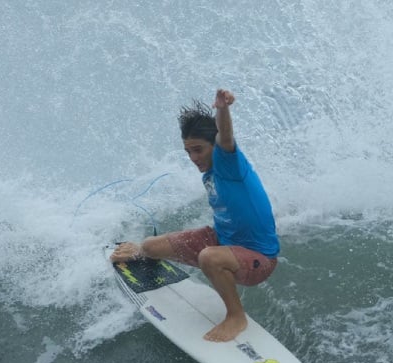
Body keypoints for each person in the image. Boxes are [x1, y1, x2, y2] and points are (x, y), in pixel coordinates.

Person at [110, 88, 280, 342]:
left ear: (215, 146)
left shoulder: (228, 163)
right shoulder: (209, 172)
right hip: (223, 241)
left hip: (258, 259)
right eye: (188, 151)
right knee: (149, 246)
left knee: (209, 258)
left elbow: (225, 136)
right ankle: (141, 250)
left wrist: (222, 109)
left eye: (198, 150)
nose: (193, 158)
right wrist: (143, 251)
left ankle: (236, 317)